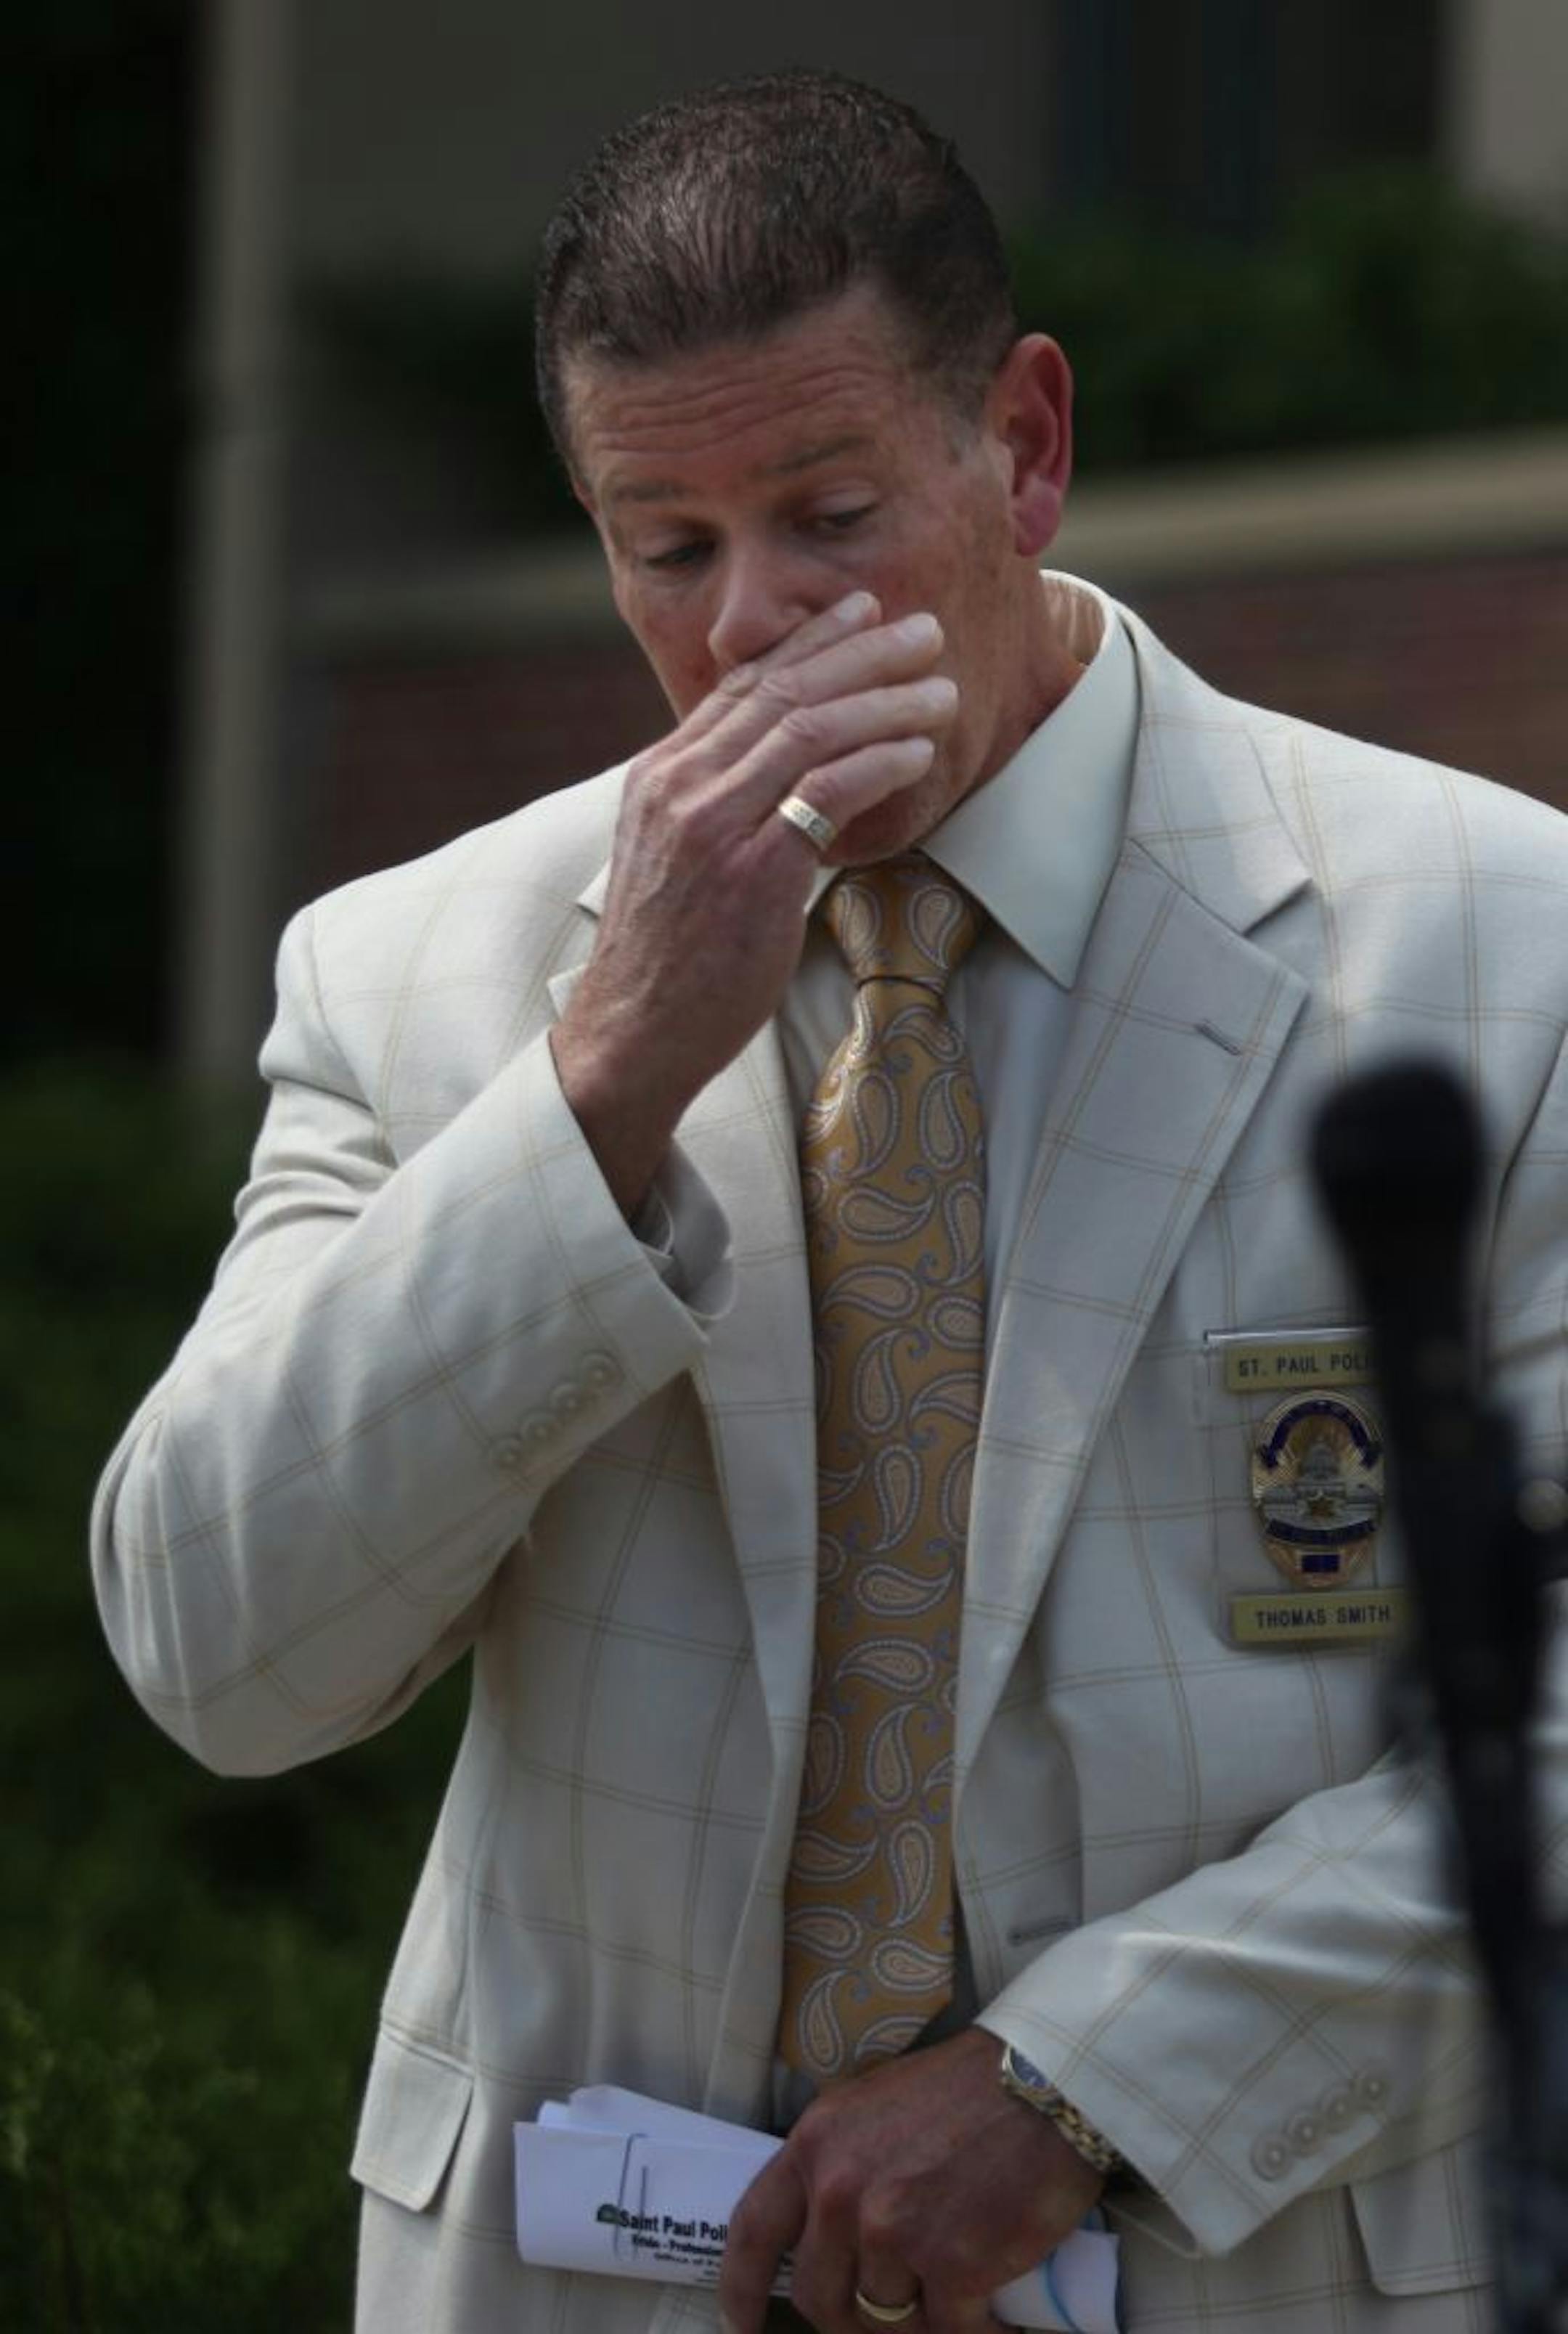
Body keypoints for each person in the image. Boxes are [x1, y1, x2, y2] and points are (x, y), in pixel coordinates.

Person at [91, 68, 1568, 2334]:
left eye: (832, 512)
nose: (756, 622)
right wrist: (596, 1086)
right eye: (668, 548)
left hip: (1259, 2264)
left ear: (1028, 446)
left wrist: (1086, 2089)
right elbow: (224, 1657)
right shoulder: (418, 974)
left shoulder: (1502, 941)